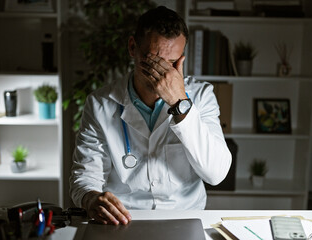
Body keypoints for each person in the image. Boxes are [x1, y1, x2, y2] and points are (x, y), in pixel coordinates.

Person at [70, 6, 232, 225]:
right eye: (153, 61)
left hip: (184, 216)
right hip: (124, 218)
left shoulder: (201, 96)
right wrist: (91, 199)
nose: (163, 74)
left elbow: (216, 174)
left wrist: (180, 103)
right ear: (132, 48)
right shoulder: (100, 103)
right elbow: (85, 177)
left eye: (172, 64)